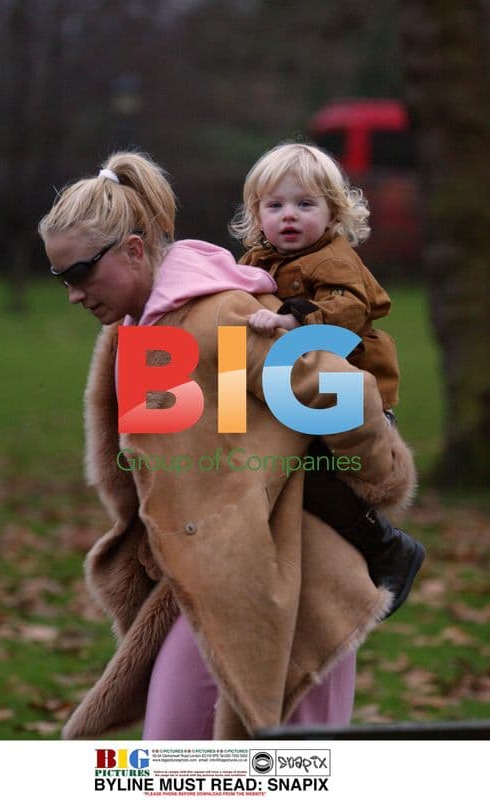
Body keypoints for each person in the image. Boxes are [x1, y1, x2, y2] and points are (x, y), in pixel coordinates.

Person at [39, 151, 416, 740]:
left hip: (298, 591)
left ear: (134, 251)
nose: (73, 293)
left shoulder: (218, 315)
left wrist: (376, 481)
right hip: (220, 582)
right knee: (174, 761)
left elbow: (343, 392)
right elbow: (219, 446)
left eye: (81, 272)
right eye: (61, 278)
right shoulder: (142, 329)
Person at [230, 142, 425, 615]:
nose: (289, 216)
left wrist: (292, 319)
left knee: (313, 476)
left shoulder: (331, 260)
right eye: (275, 205)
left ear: (333, 214)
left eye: (305, 204)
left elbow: (348, 310)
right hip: (299, 392)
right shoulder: (258, 261)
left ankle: (386, 547)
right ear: (257, 215)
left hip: (352, 394)